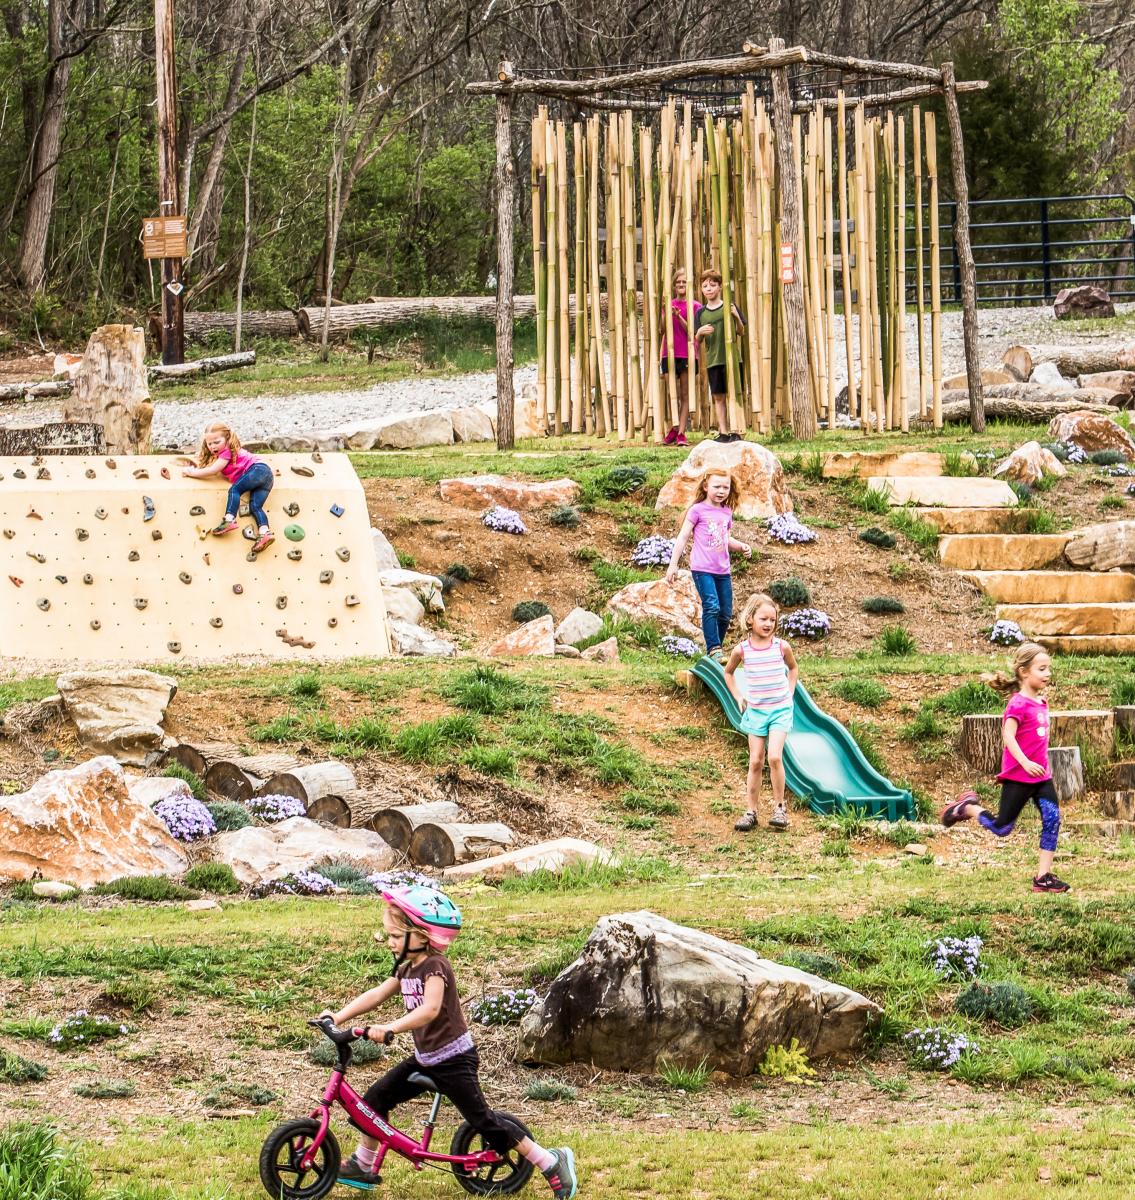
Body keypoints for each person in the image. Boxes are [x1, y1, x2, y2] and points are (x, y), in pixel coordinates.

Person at [321, 885, 578, 1197]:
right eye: (387, 935)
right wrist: (337, 1016)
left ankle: (551, 1160)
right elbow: (376, 995)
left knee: (483, 1120)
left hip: (454, 1060)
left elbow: (429, 1009)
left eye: (394, 935)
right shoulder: (406, 967)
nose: (389, 941)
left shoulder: (436, 966)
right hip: (426, 1058)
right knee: (374, 1101)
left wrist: (391, 1027)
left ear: (422, 934)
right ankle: (364, 1165)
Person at [940, 643, 1069, 893]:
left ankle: (1043, 877)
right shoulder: (1017, 704)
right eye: (1041, 669)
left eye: (1048, 669)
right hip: (1019, 777)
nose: (1047, 674)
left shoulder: (1041, 702)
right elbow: (1008, 737)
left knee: (1053, 820)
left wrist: (1037, 765)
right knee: (1002, 828)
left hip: (1041, 778)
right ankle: (967, 807)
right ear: (1023, 672)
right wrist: (1025, 763)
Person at [724, 593, 797, 832]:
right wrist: (738, 697)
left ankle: (779, 808)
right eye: (763, 619)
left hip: (779, 709)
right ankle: (751, 812)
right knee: (755, 761)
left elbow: (793, 668)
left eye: (772, 620)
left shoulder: (781, 646)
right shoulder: (742, 650)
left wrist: (790, 692)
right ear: (751, 619)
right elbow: (728, 673)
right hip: (756, 711)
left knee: (774, 757)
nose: (768, 624)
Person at [665, 471, 752, 661]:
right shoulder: (697, 510)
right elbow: (683, 538)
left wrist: (741, 546)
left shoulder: (726, 512)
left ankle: (715, 651)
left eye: (725, 487)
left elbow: (726, 538)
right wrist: (673, 565)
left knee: (725, 613)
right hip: (702, 569)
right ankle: (714, 650)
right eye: (717, 487)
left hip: (723, 571)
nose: (721, 491)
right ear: (706, 487)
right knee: (711, 606)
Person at [181, 421, 275, 554]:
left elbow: (212, 470)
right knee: (255, 507)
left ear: (227, 439)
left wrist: (191, 472)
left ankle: (229, 519)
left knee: (235, 490)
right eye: (209, 443)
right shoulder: (226, 453)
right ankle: (265, 532)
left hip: (257, 470)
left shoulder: (227, 452)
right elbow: (210, 461)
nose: (213, 446)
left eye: (216, 442)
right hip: (266, 476)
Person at [694, 269, 746, 443]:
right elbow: (697, 339)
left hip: (732, 359)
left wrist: (737, 318)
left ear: (719, 287)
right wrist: (700, 332)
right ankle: (723, 432)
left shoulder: (729, 306)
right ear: (701, 289)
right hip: (713, 360)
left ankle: (736, 429)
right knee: (718, 396)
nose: (709, 288)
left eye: (712, 285)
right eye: (705, 286)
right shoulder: (700, 313)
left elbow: (741, 331)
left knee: (735, 394)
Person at [660, 267, 701, 447]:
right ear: (674, 285)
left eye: (684, 282)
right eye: (678, 282)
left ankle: (682, 432)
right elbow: (662, 330)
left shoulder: (696, 306)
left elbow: (693, 333)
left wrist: (678, 317)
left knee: (685, 394)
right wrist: (666, 312)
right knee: (672, 394)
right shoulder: (669, 304)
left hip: (687, 353)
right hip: (668, 352)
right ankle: (674, 427)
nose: (681, 285)